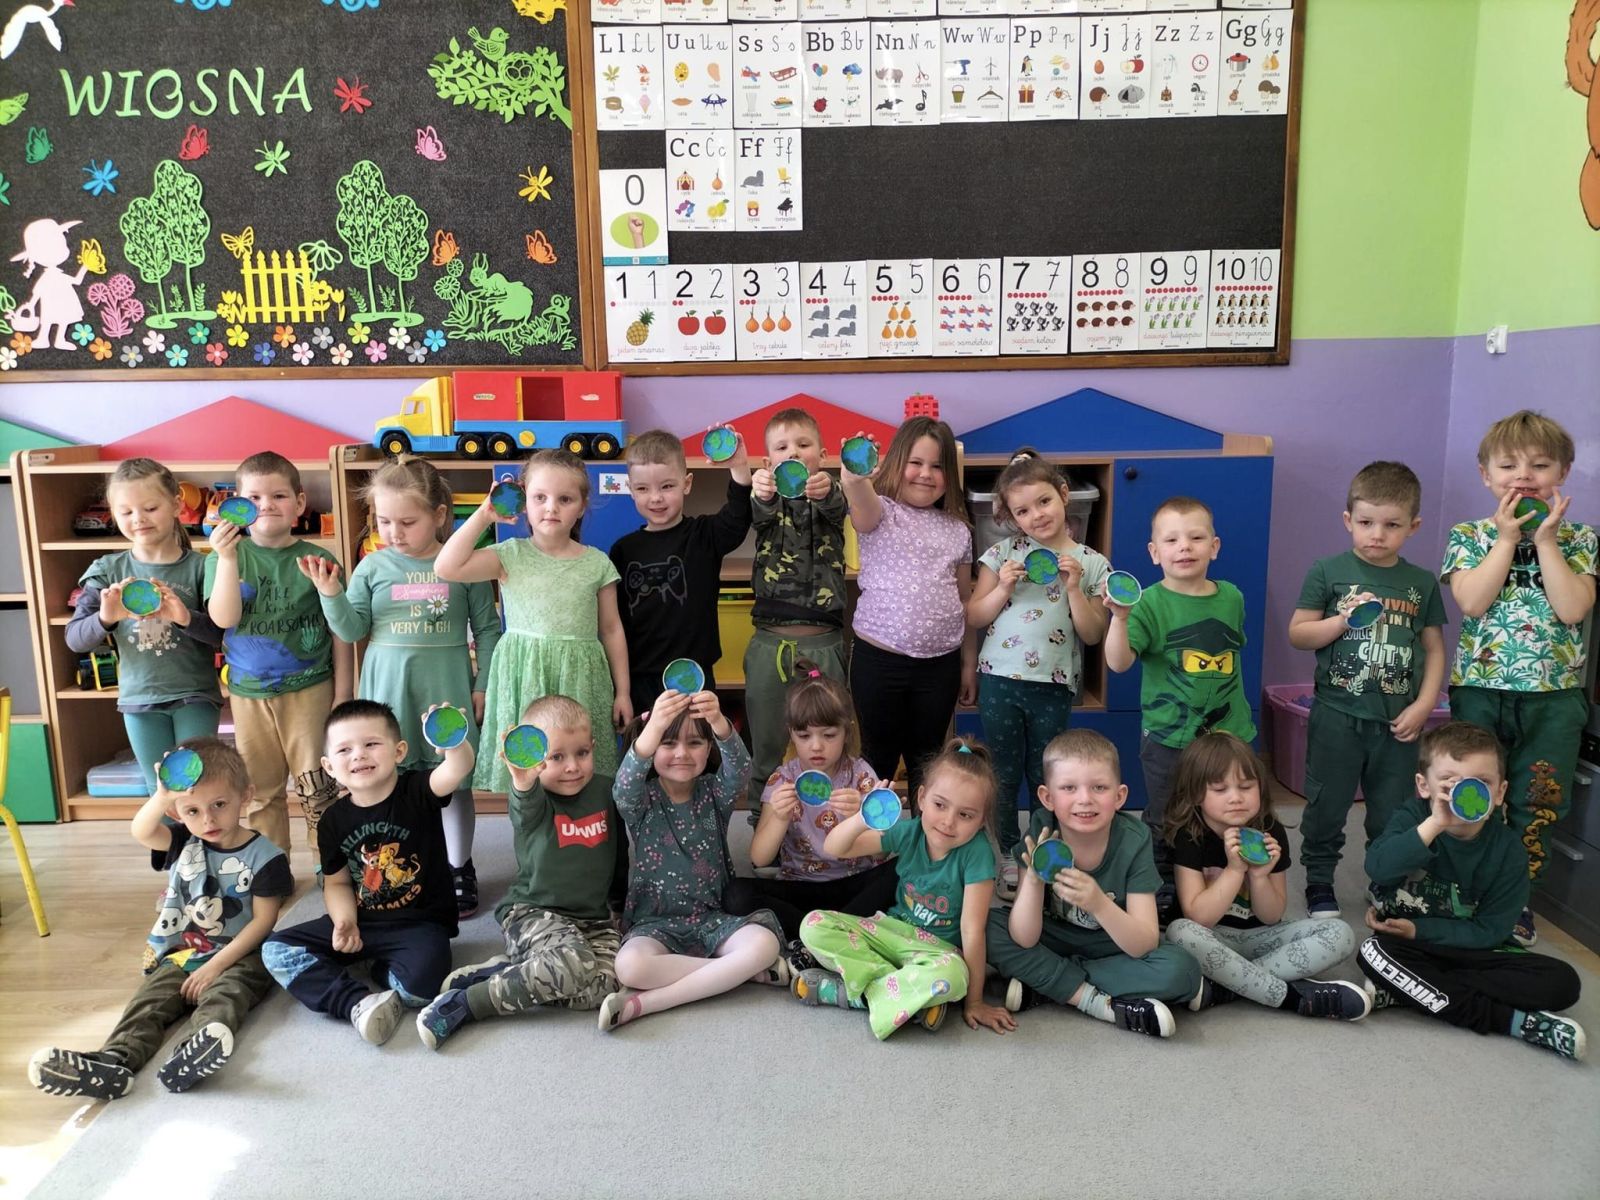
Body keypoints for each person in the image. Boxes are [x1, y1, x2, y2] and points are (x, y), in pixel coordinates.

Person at [27, 739, 289, 1099]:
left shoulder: (268, 857)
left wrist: (215, 967)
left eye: (219, 805)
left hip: (242, 955)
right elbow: (141, 831)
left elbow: (263, 923)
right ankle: (114, 1062)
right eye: (193, 810)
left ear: (246, 796)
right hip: (184, 953)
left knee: (227, 995)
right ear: (178, 814)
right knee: (148, 1002)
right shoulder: (182, 842)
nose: (208, 819)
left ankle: (191, 1054)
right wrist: (163, 797)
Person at [301, 458, 501, 917]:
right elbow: (351, 630)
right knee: (394, 783)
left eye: (407, 522)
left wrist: (484, 684)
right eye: (384, 521)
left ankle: (459, 866)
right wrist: (330, 593)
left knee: (453, 782)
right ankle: (407, 863)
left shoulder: (463, 564)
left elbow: (488, 630)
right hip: (387, 691)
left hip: (446, 686)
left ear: (439, 514)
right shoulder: (372, 567)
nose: (394, 532)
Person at [1439, 410, 1595, 947]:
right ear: (1486, 475)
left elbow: (1572, 609)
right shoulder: (1470, 535)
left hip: (1554, 699)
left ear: (1563, 473)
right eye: (1508, 465)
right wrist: (1507, 539)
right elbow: (1472, 601)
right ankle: (1462, 888)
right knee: (1469, 793)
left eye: (1539, 465)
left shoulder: (1580, 538)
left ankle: (1515, 899)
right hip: (1480, 691)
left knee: (1537, 803)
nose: (1523, 475)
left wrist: (1546, 542)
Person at [1358, 721, 1585, 1060]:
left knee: (1563, 982)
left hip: (1473, 949)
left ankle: (1410, 990)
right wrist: (1435, 824)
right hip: (1409, 945)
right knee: (1372, 952)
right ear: (1424, 786)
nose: (1464, 792)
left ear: (1499, 793)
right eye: (1449, 782)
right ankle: (1513, 1022)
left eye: (1480, 783)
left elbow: (1491, 930)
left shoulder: (1508, 850)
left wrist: (1421, 928)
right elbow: (1378, 868)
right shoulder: (1412, 818)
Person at [416, 695, 626, 1048]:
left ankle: (507, 972)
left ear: (593, 746)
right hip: (532, 912)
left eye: (581, 753)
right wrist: (523, 780)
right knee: (571, 964)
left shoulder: (606, 790)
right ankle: (470, 1002)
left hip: (592, 920)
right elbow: (524, 803)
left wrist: (619, 906)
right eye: (556, 757)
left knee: (604, 985)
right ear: (536, 759)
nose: (572, 767)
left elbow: (618, 854)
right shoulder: (534, 798)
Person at [262, 700, 474, 1046]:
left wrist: (453, 742)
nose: (359, 754)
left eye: (371, 744)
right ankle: (354, 1002)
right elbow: (337, 882)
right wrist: (345, 921)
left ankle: (375, 967)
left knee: (421, 989)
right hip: (362, 921)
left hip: (419, 924)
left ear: (399, 751)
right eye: (344, 749)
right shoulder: (332, 820)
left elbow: (457, 768)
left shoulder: (418, 790)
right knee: (275, 948)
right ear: (329, 766)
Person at [1289, 461, 1448, 918]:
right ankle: (1320, 880)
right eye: (1366, 523)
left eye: (1392, 525)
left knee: (1393, 811)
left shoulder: (1421, 583)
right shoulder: (1328, 571)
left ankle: (1386, 879)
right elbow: (1299, 634)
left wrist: (1424, 705)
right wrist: (1342, 620)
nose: (1377, 534)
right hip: (1337, 717)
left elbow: (1434, 650)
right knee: (1326, 804)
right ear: (1348, 520)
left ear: (1413, 526)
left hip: (1399, 724)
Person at [792, 738, 1015, 1040]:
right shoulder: (910, 832)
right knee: (813, 924)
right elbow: (835, 848)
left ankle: (850, 992)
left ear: (981, 820)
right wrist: (862, 817)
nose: (948, 822)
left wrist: (974, 1002)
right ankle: (897, 995)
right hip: (889, 933)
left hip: (935, 951)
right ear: (921, 798)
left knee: (954, 977)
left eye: (965, 815)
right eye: (940, 805)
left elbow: (972, 930)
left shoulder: (978, 854)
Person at [437, 448, 630, 789]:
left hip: (580, 677)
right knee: (528, 768)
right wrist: (485, 514)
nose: (551, 507)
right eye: (540, 497)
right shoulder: (509, 554)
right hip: (522, 675)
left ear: (581, 506)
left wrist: (623, 692)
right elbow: (446, 567)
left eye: (565, 499)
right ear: (524, 501)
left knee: (577, 769)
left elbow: (612, 629)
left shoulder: (597, 563)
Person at [988, 730, 1201, 1038]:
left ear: (1119, 796)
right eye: (1069, 788)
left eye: (1099, 787)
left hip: (1111, 944)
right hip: (1053, 935)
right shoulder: (1041, 829)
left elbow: (1144, 942)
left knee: (1184, 971)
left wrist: (1099, 903)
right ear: (1048, 798)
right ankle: (1088, 997)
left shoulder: (1134, 839)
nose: (1085, 799)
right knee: (987, 928)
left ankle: (1049, 983)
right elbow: (1024, 937)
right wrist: (1033, 880)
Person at [967, 447, 1110, 898]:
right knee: (1005, 770)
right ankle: (1011, 851)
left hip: (1053, 684)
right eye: (1022, 510)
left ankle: (1042, 849)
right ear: (1011, 517)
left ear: (1064, 495)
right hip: (1000, 680)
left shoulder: (1091, 562)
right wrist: (1003, 587)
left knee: (1046, 773)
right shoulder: (1001, 555)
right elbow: (975, 615)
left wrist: (1074, 588)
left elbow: (1092, 634)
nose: (1036, 515)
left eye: (1044, 501)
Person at [598, 689, 785, 1031]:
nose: (682, 753)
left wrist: (718, 722)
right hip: (654, 924)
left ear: (709, 748)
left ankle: (648, 1003)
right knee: (629, 967)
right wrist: (655, 726)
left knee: (765, 943)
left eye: (695, 743)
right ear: (653, 748)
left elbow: (741, 768)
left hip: (713, 920)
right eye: (668, 744)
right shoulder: (641, 802)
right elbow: (623, 785)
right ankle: (738, 973)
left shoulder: (715, 793)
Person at [1104, 495, 1254, 909]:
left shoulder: (1232, 597)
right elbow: (1118, 663)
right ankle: (1161, 886)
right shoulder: (1147, 603)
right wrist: (1119, 619)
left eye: (1196, 537)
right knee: (1166, 815)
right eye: (1171, 540)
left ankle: (1221, 880)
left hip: (1229, 734)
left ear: (1214, 546)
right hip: (1168, 737)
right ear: (1155, 553)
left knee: (1227, 809)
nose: (1184, 547)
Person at [1163, 733, 1370, 1020]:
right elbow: (1199, 918)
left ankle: (1225, 988)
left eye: (1246, 786)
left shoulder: (1270, 829)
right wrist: (1235, 870)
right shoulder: (1190, 835)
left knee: (1341, 934)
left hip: (1261, 938)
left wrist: (1260, 877)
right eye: (1220, 789)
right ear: (1197, 794)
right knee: (1179, 932)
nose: (1236, 798)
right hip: (1212, 938)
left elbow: (1271, 916)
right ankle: (1289, 997)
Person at [205, 451, 349, 861]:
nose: (266, 505)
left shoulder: (319, 560)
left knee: (318, 785)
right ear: (237, 505)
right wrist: (227, 558)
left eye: (279, 496)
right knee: (260, 790)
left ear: (299, 503)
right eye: (254, 497)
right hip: (249, 695)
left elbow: (339, 629)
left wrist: (343, 692)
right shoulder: (222, 558)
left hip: (311, 689)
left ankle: (329, 865)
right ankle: (272, 866)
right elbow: (224, 618)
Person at [65, 459, 222, 803]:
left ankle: (200, 840)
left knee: (198, 786)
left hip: (195, 696)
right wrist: (105, 618)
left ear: (177, 505)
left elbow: (222, 635)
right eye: (126, 512)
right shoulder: (107, 569)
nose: (138, 519)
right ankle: (167, 841)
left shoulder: (203, 566)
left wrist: (185, 617)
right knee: (159, 791)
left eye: (150, 508)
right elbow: (75, 639)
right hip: (139, 701)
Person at [842, 417, 977, 803]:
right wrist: (854, 474)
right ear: (896, 462)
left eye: (937, 466)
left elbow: (964, 601)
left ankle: (925, 837)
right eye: (915, 462)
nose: (925, 474)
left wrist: (968, 665)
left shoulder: (958, 529)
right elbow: (859, 497)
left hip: (940, 667)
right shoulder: (880, 511)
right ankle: (873, 839)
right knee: (877, 762)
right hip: (879, 662)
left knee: (928, 763)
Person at [723, 661, 898, 951]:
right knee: (735, 894)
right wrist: (780, 817)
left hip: (856, 884)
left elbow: (883, 851)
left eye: (829, 735)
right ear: (791, 733)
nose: (816, 746)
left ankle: (818, 938)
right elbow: (760, 859)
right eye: (804, 736)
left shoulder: (860, 774)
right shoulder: (783, 779)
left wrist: (860, 816)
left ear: (846, 731)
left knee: (905, 869)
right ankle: (841, 935)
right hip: (801, 886)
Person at [743, 409, 851, 812]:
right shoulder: (766, 500)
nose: (794, 453)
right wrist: (761, 491)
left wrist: (828, 490)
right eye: (782, 447)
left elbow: (838, 507)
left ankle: (826, 825)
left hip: (824, 642)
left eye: (804, 445)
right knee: (767, 745)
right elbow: (759, 511)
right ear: (768, 461)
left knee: (827, 741)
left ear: (821, 455)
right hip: (770, 644)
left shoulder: (831, 495)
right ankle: (761, 821)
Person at [609, 427, 753, 720]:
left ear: (686, 484)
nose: (656, 498)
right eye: (643, 489)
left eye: (666, 486)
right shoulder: (623, 550)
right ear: (630, 489)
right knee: (646, 748)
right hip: (640, 679)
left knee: (696, 746)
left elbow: (739, 516)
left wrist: (739, 467)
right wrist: (621, 690)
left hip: (695, 675)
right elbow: (615, 625)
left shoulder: (704, 535)